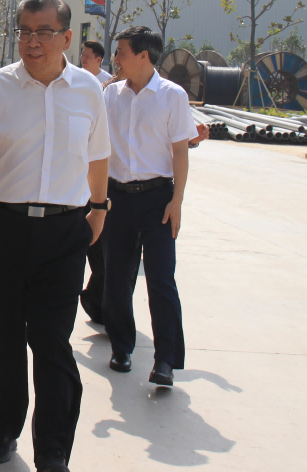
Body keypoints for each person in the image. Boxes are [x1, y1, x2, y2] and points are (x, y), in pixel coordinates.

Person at [0, 0, 111, 472]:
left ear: (67, 37)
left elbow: (98, 155)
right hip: (3, 226)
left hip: (64, 231)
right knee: (0, 334)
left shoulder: (88, 90)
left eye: (43, 32)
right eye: (24, 31)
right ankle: (1, 428)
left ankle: (54, 448)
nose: (32, 41)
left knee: (52, 339)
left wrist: (99, 208)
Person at [101, 26, 198, 388]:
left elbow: (180, 152)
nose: (116, 58)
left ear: (143, 56)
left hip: (158, 199)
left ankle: (166, 360)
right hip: (117, 198)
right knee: (116, 278)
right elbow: (98, 147)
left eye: (121, 52)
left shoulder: (172, 96)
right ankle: (121, 347)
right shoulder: (111, 95)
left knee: (160, 279)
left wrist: (177, 201)